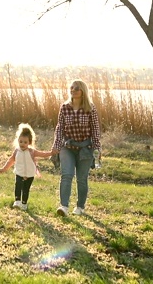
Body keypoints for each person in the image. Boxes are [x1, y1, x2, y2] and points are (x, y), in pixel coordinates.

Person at [51, 79, 102, 216]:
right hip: (67, 146)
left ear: (83, 91)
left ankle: (80, 207)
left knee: (81, 178)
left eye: (76, 88)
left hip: (85, 148)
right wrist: (56, 146)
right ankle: (64, 207)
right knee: (66, 175)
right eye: (72, 88)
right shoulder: (65, 107)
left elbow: (95, 130)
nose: (73, 90)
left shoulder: (90, 108)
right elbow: (59, 128)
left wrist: (97, 149)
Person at [0, 123, 52, 210]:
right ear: (18, 140)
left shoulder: (32, 151)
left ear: (29, 142)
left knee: (26, 189)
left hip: (30, 174)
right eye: (21, 141)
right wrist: (4, 168)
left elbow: (43, 154)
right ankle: (17, 201)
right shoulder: (16, 151)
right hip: (19, 173)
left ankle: (24, 204)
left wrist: (52, 152)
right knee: (18, 185)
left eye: (25, 142)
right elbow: (11, 160)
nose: (22, 144)